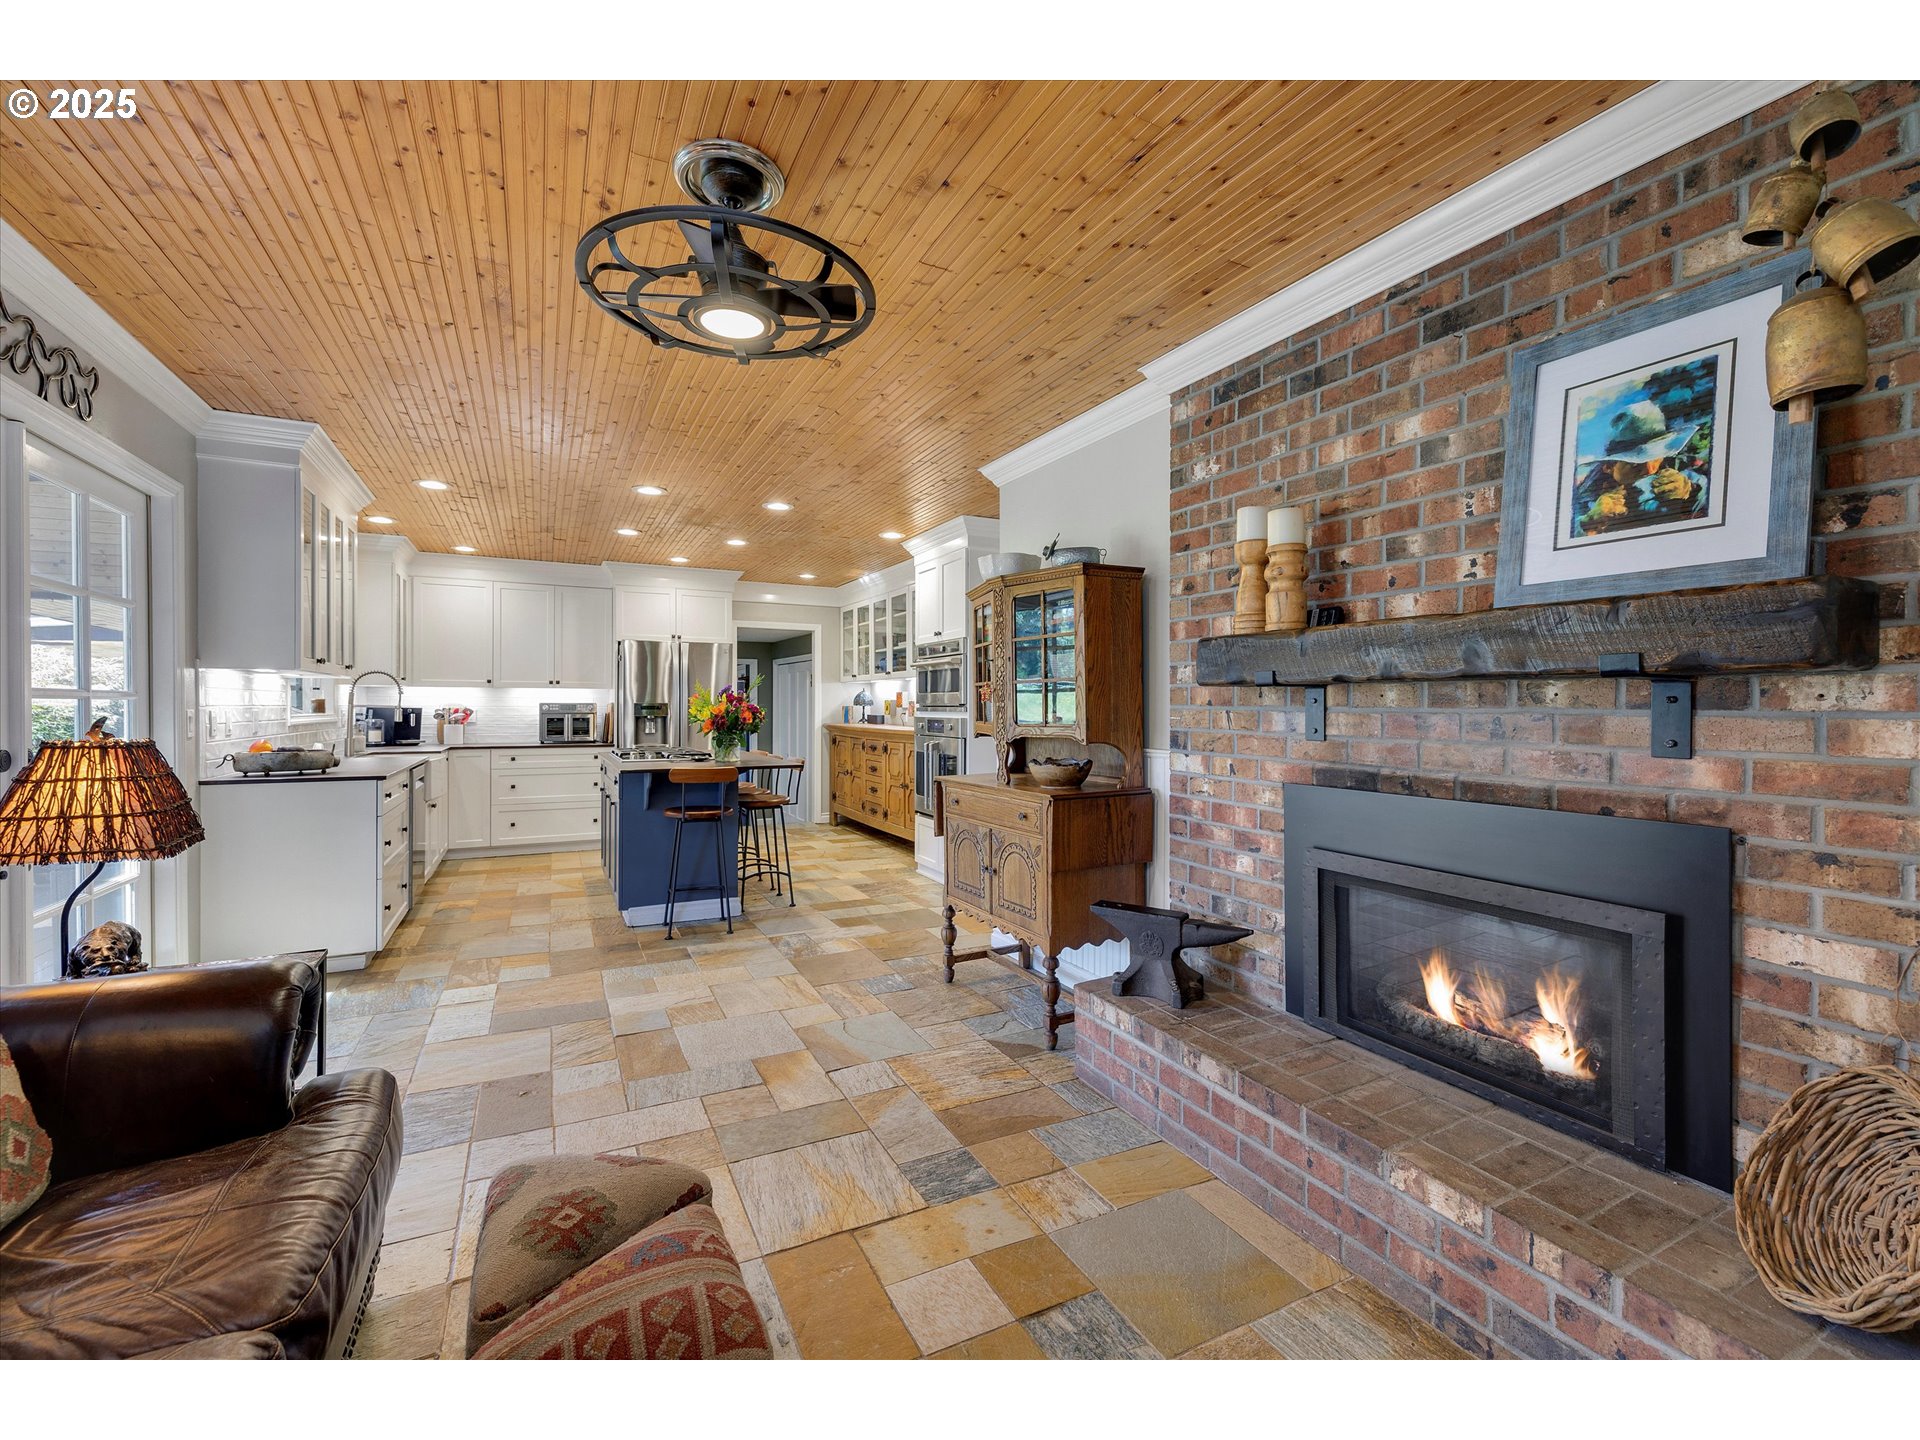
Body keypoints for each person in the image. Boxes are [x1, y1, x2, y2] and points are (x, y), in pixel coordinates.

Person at [1568, 399, 1707, 539]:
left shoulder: (1685, 478)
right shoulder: (1584, 498)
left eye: (1656, 457)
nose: (1650, 470)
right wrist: (1589, 522)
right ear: (1608, 466)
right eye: (1635, 464)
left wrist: (1692, 493)